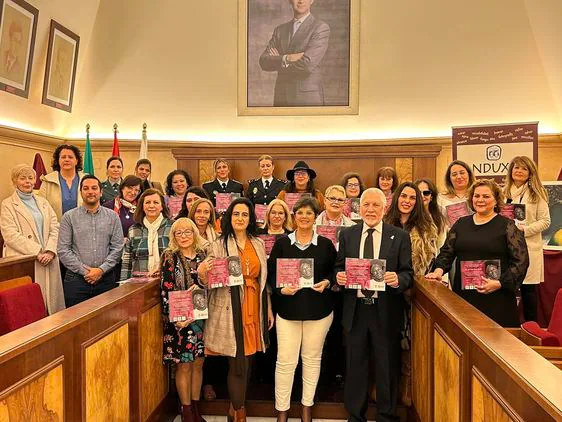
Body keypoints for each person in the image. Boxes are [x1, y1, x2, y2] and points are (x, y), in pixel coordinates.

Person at [335, 188, 413, 422]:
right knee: (355, 366)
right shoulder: (347, 235)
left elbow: (408, 272)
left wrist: (398, 279)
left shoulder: (398, 236)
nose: (370, 209)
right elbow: (339, 266)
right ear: (359, 207)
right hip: (356, 310)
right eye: (366, 205)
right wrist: (339, 276)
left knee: (386, 366)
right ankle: (355, 416)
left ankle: (386, 415)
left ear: (384, 208)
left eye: (375, 205)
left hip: (385, 310)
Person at [197, 197, 274, 421]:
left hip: (254, 305)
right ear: (229, 217)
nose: (240, 218)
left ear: (250, 219)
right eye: (236, 214)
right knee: (237, 361)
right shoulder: (218, 244)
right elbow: (207, 282)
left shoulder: (258, 243)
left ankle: (235, 407)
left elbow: (263, 280)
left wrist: (267, 308)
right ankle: (239, 412)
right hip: (230, 307)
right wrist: (202, 272)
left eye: (245, 214)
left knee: (247, 358)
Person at [267, 196, 336, 422]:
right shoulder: (282, 243)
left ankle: (307, 407)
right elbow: (272, 276)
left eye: (309, 213)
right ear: (293, 216)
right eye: (300, 213)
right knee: (285, 361)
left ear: (315, 217)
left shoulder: (325, 244)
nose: (304, 216)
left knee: (312, 359)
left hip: (319, 312)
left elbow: (334, 272)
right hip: (288, 312)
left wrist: (327, 282)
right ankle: (282, 410)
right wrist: (281, 289)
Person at [426, 179, 529, 327]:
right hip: (464, 297)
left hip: (497, 297)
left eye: (486, 196)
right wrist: (438, 271)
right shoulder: (461, 224)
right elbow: (446, 252)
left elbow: (521, 261)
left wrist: (499, 283)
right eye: (476, 196)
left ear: (496, 200)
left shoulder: (507, 226)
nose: (480, 200)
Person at [161, 217, 209, 422]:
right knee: (184, 366)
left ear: (195, 233)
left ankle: (196, 410)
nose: (183, 236)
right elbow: (166, 289)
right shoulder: (169, 257)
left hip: (201, 319)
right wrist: (179, 318)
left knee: (198, 363)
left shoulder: (203, 256)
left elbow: (211, 285)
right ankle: (187, 413)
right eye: (178, 233)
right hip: (179, 322)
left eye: (187, 232)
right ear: (173, 236)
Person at [1, 164, 65, 314]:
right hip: (25, 260)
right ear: (14, 181)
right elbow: (10, 234)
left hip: (49, 257)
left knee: (51, 306)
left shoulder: (43, 202)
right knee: (28, 308)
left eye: (31, 178)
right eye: (22, 178)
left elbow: (55, 227)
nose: (27, 182)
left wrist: (50, 250)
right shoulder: (8, 204)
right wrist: (37, 251)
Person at [57, 175, 124, 307]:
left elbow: (117, 248)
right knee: (76, 324)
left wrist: (100, 270)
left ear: (101, 192)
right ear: (80, 192)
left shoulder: (113, 217)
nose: (90, 192)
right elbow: (63, 250)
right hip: (76, 281)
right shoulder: (68, 217)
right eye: (86, 188)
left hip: (106, 279)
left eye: (94, 188)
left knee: (107, 323)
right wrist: (86, 272)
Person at [504, 156, 551, 322]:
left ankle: (532, 330)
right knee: (506, 288)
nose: (519, 171)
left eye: (524, 168)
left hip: (529, 248)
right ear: (511, 171)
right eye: (516, 167)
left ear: (530, 173)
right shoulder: (503, 193)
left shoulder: (537, 194)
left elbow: (546, 222)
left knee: (528, 290)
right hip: (506, 248)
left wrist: (524, 230)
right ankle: (509, 328)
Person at [259, 0, 330, 107]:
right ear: (290, 1)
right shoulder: (280, 30)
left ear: (312, 1)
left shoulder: (320, 28)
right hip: (281, 97)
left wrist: (279, 60)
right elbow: (264, 61)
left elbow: (307, 65)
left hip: (307, 98)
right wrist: (288, 58)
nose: (301, 1)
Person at [385, 182, 438, 276]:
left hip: (417, 282)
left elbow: (430, 262)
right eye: (403, 196)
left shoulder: (427, 228)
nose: (407, 201)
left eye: (412, 198)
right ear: (397, 198)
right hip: (387, 281)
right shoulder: (384, 224)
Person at [120, 189, 172, 281]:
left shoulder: (172, 227)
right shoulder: (134, 230)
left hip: (168, 281)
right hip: (139, 284)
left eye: (156, 202)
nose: (151, 205)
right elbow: (127, 260)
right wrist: (124, 285)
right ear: (142, 206)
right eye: (147, 202)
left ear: (162, 206)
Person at [39, 144, 83, 221]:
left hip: (82, 228)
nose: (66, 160)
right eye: (63, 157)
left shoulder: (86, 180)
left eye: (70, 157)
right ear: (58, 161)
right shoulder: (47, 181)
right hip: (55, 229)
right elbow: (41, 208)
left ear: (76, 161)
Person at [438, 160, 476, 228]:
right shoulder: (440, 198)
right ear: (449, 179)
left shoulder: (478, 196)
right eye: (454, 174)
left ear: (469, 174)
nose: (458, 177)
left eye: (462, 173)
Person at [415, 178, 446, 247]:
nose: (422, 196)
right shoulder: (408, 216)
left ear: (431, 197)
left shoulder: (439, 219)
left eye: (426, 193)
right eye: (418, 193)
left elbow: (441, 247)